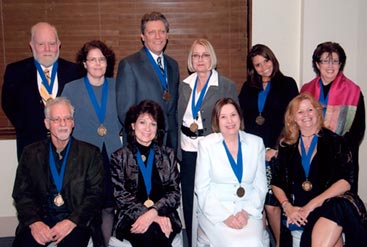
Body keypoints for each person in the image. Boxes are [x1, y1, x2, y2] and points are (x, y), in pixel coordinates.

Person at [271, 93, 367, 247]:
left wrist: (310, 206)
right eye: (300, 112)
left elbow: (345, 182)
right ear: (293, 118)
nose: (306, 115)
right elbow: (276, 181)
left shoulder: (336, 142)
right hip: (299, 210)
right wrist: (287, 207)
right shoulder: (286, 147)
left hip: (330, 205)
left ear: (318, 112)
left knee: (336, 211)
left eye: (310, 110)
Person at [11, 97, 104, 247]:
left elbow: (95, 196)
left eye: (67, 118)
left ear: (73, 122)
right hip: (40, 219)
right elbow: (21, 194)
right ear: (47, 124)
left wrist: (71, 222)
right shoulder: (30, 153)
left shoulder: (90, 154)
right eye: (56, 119)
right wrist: (35, 223)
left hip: (76, 222)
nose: (62, 124)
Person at [177, 38, 238, 246]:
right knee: (190, 199)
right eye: (195, 55)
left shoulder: (225, 85)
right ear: (190, 60)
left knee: (211, 198)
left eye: (204, 55)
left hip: (213, 151)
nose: (200, 59)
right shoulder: (184, 85)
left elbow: (234, 122)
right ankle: (193, 241)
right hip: (187, 150)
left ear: (211, 58)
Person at [62, 40, 121, 246]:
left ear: (108, 62)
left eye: (102, 59)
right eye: (92, 59)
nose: (98, 64)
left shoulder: (117, 86)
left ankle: (106, 243)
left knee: (108, 206)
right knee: (88, 207)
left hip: (112, 154)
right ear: (84, 63)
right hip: (84, 157)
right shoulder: (71, 89)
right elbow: (64, 122)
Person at [239, 44, 299, 247]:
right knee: (257, 203)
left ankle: (282, 243)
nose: (264, 67)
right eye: (258, 64)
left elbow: (291, 120)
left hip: (278, 154)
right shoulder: (248, 88)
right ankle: (263, 240)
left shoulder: (288, 84)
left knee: (272, 204)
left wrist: (276, 148)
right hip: (254, 154)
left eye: (266, 61)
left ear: (272, 59)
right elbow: (242, 121)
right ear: (252, 68)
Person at [1, 22, 83, 159]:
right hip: (31, 147)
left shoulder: (75, 72)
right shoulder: (15, 72)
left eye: (51, 43)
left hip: (68, 147)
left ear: (59, 44)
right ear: (32, 45)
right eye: (41, 44)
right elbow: (9, 106)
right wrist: (31, 126)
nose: (47, 49)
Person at [195, 98, 267, 246]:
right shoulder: (206, 145)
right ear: (217, 121)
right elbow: (202, 189)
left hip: (248, 210)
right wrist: (225, 217)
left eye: (233, 115)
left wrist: (246, 213)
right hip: (216, 213)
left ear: (240, 117)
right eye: (223, 117)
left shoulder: (256, 143)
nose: (230, 121)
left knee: (253, 243)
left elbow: (261, 186)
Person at [110, 100, 182, 247]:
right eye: (142, 122)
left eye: (153, 124)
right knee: (149, 231)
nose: (147, 128)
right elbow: (120, 196)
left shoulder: (168, 155)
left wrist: (154, 212)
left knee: (156, 230)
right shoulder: (119, 157)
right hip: (131, 216)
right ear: (132, 125)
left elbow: (174, 194)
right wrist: (148, 214)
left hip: (164, 214)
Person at [300, 41, 365, 193]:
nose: (330, 66)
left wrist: (337, 149)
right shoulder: (306, 89)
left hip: (342, 155)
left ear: (340, 64)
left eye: (335, 61)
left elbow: (358, 129)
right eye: (325, 61)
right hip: (312, 152)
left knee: (339, 205)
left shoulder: (353, 91)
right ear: (317, 64)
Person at [115, 11, 179, 150]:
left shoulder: (173, 65)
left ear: (167, 35)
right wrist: (145, 135)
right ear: (143, 37)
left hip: (169, 143)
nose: (158, 36)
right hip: (142, 142)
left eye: (162, 31)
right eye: (152, 32)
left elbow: (172, 108)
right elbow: (126, 112)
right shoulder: (129, 65)